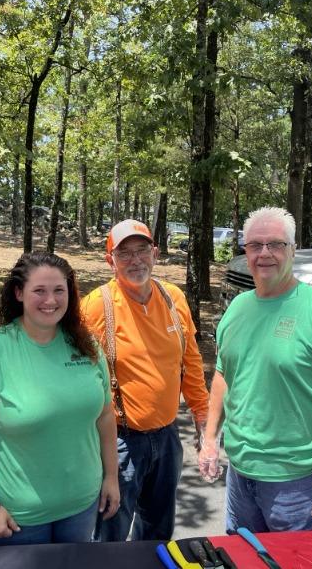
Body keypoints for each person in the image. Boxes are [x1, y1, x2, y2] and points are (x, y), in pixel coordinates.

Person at [199, 206, 312, 532]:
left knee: (298, 558)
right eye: (254, 245)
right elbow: (223, 374)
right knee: (242, 555)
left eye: (275, 244)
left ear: (292, 250)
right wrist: (209, 440)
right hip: (240, 475)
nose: (264, 253)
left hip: (299, 483)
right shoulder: (238, 307)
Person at [0, 251, 119, 546]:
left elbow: (105, 417)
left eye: (59, 290)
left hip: (81, 508)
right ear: (19, 293)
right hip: (14, 518)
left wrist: (111, 477)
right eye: (39, 290)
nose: (50, 300)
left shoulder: (88, 346)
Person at [81, 219, 210, 541]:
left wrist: (202, 416)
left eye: (142, 250)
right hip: (120, 442)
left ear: (155, 253)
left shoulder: (173, 298)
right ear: (110, 260)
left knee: (158, 533)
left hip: (167, 437)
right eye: (124, 253)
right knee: (109, 535)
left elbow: (190, 361)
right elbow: (77, 374)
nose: (135, 260)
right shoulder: (96, 306)